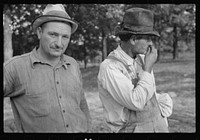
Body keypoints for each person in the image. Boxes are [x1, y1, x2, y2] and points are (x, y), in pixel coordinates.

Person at [4, 4, 91, 133]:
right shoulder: (15, 67)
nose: (59, 43)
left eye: (65, 37)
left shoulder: (73, 64)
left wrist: (88, 126)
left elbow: (81, 100)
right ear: (39, 32)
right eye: (53, 34)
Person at [97, 7, 173, 133]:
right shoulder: (110, 67)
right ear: (133, 39)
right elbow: (137, 102)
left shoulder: (141, 59)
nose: (150, 44)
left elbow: (150, 92)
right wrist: (147, 70)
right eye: (148, 38)